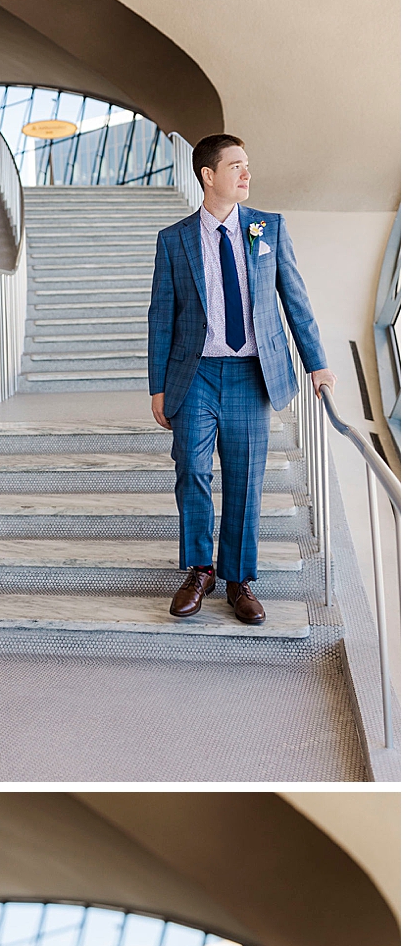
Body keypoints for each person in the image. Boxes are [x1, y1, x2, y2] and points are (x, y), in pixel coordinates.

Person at [147, 134, 332, 625]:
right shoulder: (174, 238)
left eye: (247, 166)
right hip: (196, 374)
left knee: (246, 480)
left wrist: (317, 363)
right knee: (191, 471)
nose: (247, 175)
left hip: (252, 375)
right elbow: (161, 316)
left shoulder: (268, 228)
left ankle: (239, 579)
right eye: (236, 166)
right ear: (208, 175)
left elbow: (296, 300)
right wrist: (157, 386)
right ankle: (198, 570)